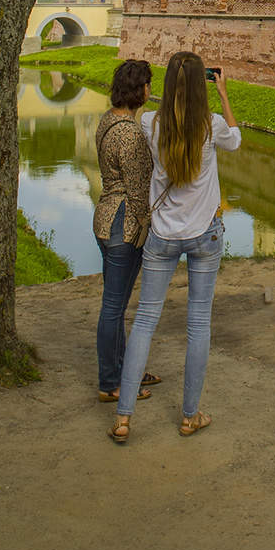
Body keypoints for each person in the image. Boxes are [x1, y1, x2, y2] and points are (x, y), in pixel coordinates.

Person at [108, 51, 240, 444]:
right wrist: (223, 93)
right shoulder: (211, 126)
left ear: (165, 86)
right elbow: (236, 140)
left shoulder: (150, 122)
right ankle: (189, 416)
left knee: (144, 321)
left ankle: (123, 418)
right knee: (198, 325)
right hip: (204, 234)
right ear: (203, 85)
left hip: (162, 236)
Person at [94, 58, 161, 404]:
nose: (150, 89)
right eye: (148, 84)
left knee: (115, 304)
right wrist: (149, 227)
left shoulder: (108, 120)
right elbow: (137, 193)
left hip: (104, 215)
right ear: (140, 90)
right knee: (114, 307)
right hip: (123, 223)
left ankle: (124, 369)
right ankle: (111, 383)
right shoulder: (131, 134)